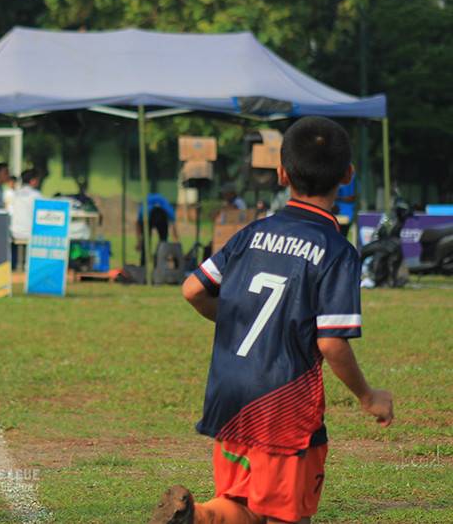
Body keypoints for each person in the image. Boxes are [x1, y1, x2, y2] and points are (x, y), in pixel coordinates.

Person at [150, 116, 394, 524]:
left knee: (241, 504)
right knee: (285, 514)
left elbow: (193, 289)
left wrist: (234, 320)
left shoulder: (251, 234)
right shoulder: (336, 251)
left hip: (231, 397)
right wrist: (369, 397)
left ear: (281, 173)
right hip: (284, 407)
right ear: (348, 176)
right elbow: (331, 342)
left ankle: (198, 517)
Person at [9, 169, 45, 270]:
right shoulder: (36, 195)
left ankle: (21, 264)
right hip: (31, 232)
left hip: (15, 231)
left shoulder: (16, 194)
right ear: (33, 181)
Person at [136, 193, 180, 265]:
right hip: (149, 216)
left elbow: (173, 222)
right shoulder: (144, 212)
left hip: (161, 215)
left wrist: (175, 237)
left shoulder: (168, 210)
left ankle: (160, 261)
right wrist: (139, 241)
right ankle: (143, 264)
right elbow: (138, 224)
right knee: (145, 241)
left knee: (163, 241)